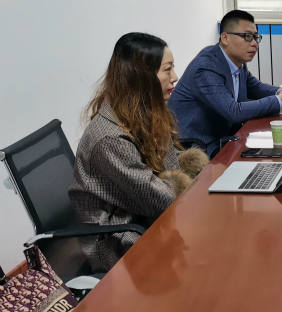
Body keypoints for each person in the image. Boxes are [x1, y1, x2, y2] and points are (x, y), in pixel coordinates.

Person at [70, 33, 209, 272]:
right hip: (118, 239)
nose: (175, 77)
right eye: (167, 70)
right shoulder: (110, 138)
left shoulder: (143, 111)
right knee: (208, 249)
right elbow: (161, 200)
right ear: (142, 76)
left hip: (141, 217)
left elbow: (167, 171)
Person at [168, 10, 282, 156]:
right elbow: (233, 111)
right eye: (247, 37)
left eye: (255, 37)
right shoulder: (206, 67)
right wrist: (279, 101)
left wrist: (279, 91)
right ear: (225, 38)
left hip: (224, 136)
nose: (254, 44)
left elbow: (254, 87)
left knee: (277, 153)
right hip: (197, 147)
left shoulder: (235, 62)